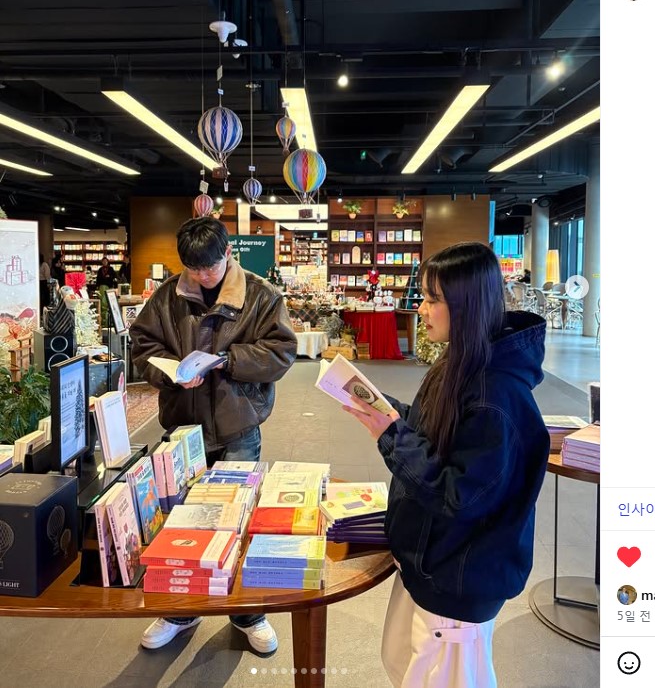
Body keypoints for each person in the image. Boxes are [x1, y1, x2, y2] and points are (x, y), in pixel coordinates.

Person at [340, 241, 550, 687]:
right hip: (431, 561)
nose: (421, 309)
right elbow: (436, 434)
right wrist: (388, 412)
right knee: (404, 664)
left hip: (459, 576)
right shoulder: (463, 361)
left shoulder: (496, 396)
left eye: (433, 299)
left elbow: (459, 496)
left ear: (465, 305)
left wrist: (392, 435)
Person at [129, 217, 297, 656]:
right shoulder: (167, 296)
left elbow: (282, 352)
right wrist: (169, 372)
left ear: (227, 254)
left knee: (237, 521)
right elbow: (143, 345)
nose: (203, 276)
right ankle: (182, 611)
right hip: (183, 426)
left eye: (210, 266)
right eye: (193, 268)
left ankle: (248, 614)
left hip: (238, 423)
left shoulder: (261, 295)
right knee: (182, 523)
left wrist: (227, 360)